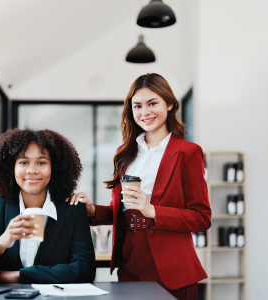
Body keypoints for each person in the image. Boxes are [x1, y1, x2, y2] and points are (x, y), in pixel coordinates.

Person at [70, 73, 211, 300]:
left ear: (170, 104)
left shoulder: (188, 152)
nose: (144, 112)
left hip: (172, 266)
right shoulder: (124, 154)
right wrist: (92, 211)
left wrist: (152, 210)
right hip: (130, 259)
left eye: (152, 103)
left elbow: (202, 218)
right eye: (137, 106)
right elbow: (121, 209)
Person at [0, 129, 96, 284]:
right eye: (23, 162)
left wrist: (20, 275)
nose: (32, 170)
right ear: (12, 167)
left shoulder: (72, 209)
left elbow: (85, 269)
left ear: (54, 168)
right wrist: (2, 242)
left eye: (42, 162)